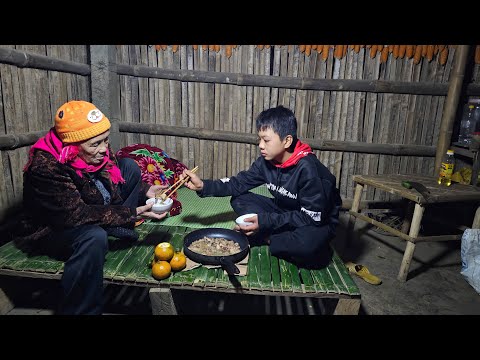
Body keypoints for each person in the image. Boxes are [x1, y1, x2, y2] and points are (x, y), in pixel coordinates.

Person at [16, 100, 167, 315]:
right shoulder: (47, 166)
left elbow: (112, 171)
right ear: (72, 145)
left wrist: (146, 190)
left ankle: (114, 225)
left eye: (105, 140)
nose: (104, 149)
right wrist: (134, 212)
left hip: (93, 203)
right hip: (55, 228)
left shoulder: (94, 141)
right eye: (95, 144)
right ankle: (82, 310)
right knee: (93, 237)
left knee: (129, 167)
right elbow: (75, 215)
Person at [181, 106, 342, 269]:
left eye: (266, 140)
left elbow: (311, 217)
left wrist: (264, 222)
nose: (260, 145)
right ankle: (280, 238)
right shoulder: (266, 162)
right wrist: (203, 186)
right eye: (259, 139)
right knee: (240, 199)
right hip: (284, 210)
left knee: (308, 244)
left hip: (314, 220)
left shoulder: (309, 170)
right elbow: (238, 184)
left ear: (286, 141)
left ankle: (267, 238)